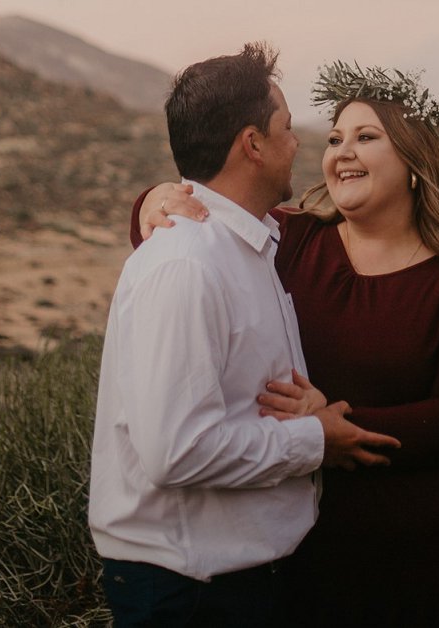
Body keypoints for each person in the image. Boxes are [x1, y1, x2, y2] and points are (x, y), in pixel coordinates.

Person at [136, 60, 439, 628]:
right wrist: (153, 199)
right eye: (334, 137)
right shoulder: (289, 242)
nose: (341, 151)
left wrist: (335, 424)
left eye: (366, 137)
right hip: (305, 543)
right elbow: (206, 227)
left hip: (427, 548)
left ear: (415, 163)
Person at [91, 43, 399, 628]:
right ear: (252, 144)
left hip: (236, 584)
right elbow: (176, 450)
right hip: (190, 592)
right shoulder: (188, 263)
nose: (299, 142)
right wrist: (314, 440)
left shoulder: (251, 248)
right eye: (286, 127)